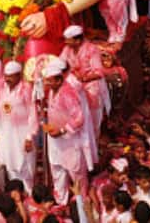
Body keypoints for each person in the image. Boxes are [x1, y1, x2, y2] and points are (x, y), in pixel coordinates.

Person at [42, 64, 86, 205]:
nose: (47, 83)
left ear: (59, 80)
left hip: (69, 140)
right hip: (55, 140)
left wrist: (61, 130)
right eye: (46, 80)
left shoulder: (68, 93)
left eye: (50, 81)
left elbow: (79, 118)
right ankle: (61, 203)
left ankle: (82, 207)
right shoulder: (52, 91)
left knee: (76, 173)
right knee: (57, 170)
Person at [0, 61, 38, 192]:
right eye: (6, 76)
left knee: (25, 165)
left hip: (22, 134)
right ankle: (15, 194)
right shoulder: (2, 87)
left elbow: (33, 113)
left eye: (11, 76)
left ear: (19, 75)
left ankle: (29, 193)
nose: (7, 79)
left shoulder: (26, 89)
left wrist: (29, 137)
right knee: (9, 162)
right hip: (6, 133)